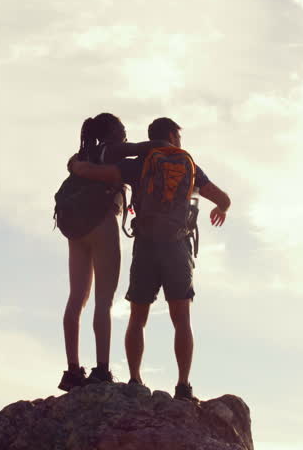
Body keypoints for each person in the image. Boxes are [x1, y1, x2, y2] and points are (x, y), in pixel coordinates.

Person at [67, 117, 231, 401]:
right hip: (177, 247)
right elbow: (223, 198)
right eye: (178, 137)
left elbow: (100, 174)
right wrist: (222, 209)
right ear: (171, 135)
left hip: (145, 246)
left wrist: (77, 166)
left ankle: (134, 379)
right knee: (181, 319)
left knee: (137, 317)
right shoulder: (189, 165)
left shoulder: (140, 163)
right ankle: (183, 385)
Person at [57, 113, 129, 392]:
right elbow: (140, 151)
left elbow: (72, 166)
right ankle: (101, 370)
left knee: (77, 298)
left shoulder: (80, 157)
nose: (125, 134)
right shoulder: (113, 152)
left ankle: (73, 371)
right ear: (112, 133)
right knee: (103, 300)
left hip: (77, 230)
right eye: (122, 129)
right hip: (103, 225)